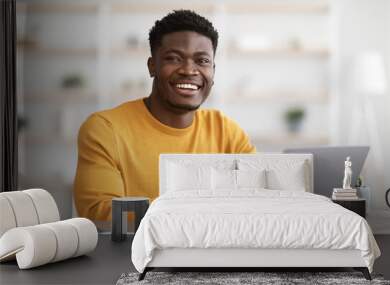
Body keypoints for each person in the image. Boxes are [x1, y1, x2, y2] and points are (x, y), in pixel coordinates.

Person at [73, 10, 256, 221]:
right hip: (134, 254)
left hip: (215, 251)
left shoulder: (225, 130)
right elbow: (102, 213)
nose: (189, 70)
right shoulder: (106, 129)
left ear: (213, 71)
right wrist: (205, 212)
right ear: (152, 66)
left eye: (202, 61)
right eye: (174, 58)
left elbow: (259, 196)